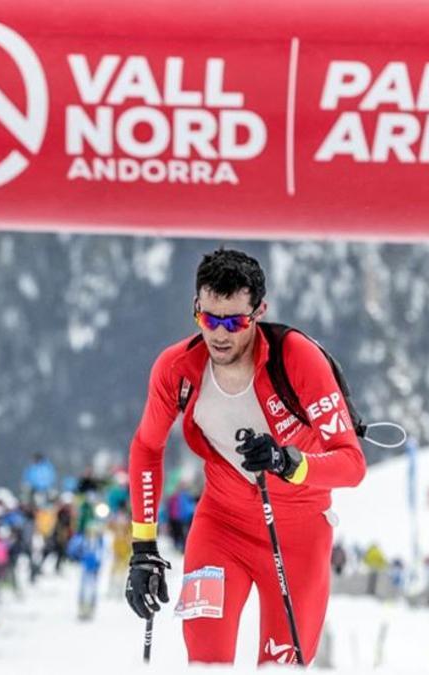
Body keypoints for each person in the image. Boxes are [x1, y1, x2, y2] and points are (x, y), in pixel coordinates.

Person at [124, 248, 366, 666]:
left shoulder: (296, 359)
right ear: (196, 309)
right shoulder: (177, 369)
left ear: (259, 312)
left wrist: (290, 464)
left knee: (280, 667)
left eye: (234, 322)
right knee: (206, 664)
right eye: (208, 319)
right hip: (221, 527)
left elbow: (351, 464)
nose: (220, 334)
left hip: (298, 534)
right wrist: (143, 546)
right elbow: (147, 447)